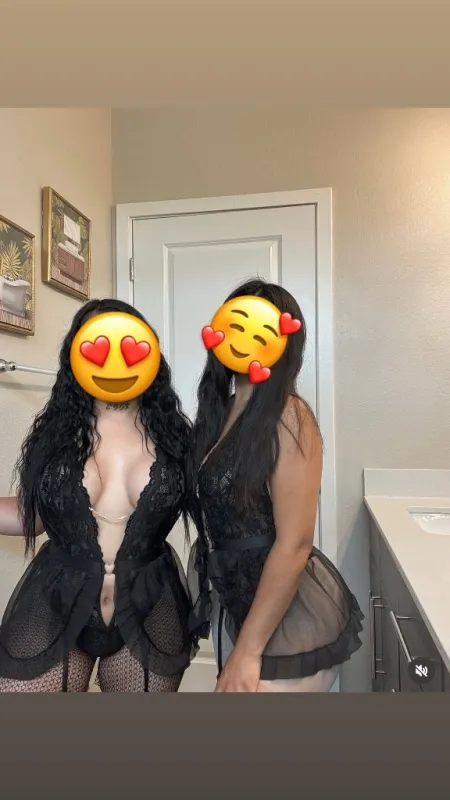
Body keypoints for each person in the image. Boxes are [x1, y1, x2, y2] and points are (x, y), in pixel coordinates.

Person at [0, 298, 198, 692]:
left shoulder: (177, 437)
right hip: (58, 597)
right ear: (76, 356)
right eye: (98, 347)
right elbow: (34, 517)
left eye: (127, 346)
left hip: (148, 603)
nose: (114, 362)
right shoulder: (56, 434)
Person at [188, 278, 364, 692]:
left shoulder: (290, 416)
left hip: (287, 616)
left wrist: (247, 652)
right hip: (237, 603)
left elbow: (294, 544)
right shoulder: (220, 413)